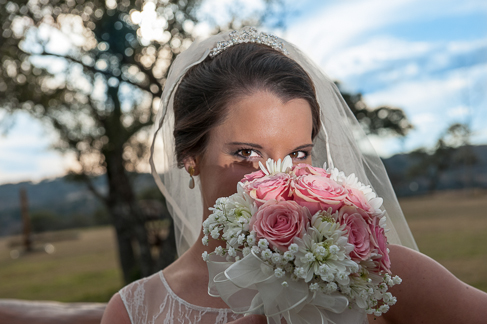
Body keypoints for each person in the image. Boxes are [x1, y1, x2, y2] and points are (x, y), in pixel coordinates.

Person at [101, 28, 487, 324]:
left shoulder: (377, 275)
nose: (279, 177)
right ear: (190, 156)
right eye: (247, 153)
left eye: (298, 154)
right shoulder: (136, 310)